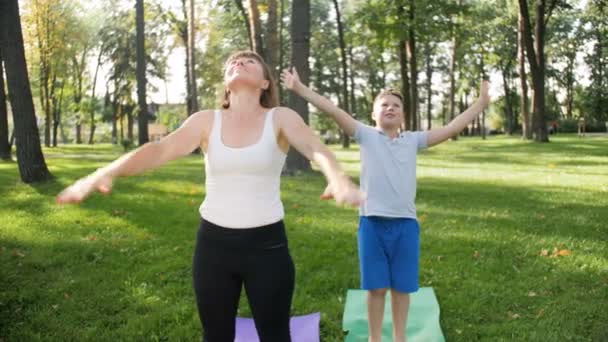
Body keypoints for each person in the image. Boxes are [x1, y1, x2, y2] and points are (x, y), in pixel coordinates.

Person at [56, 51, 365, 342]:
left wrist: (337, 178)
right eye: (233, 61)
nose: (239, 63)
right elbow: (160, 149)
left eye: (248, 61)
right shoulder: (206, 120)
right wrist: (104, 172)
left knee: (275, 335)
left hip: (267, 248)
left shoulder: (280, 118)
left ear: (265, 83)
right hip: (214, 249)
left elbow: (316, 149)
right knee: (215, 335)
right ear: (225, 81)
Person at [281, 67, 490, 342]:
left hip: (405, 225)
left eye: (396, 106)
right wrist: (299, 88)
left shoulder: (413, 140)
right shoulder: (365, 134)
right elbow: (332, 109)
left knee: (402, 289)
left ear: (402, 115)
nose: (390, 108)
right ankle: (375, 338)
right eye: (384, 105)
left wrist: (481, 102)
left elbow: (453, 127)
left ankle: (400, 337)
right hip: (372, 225)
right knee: (377, 289)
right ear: (373, 114)